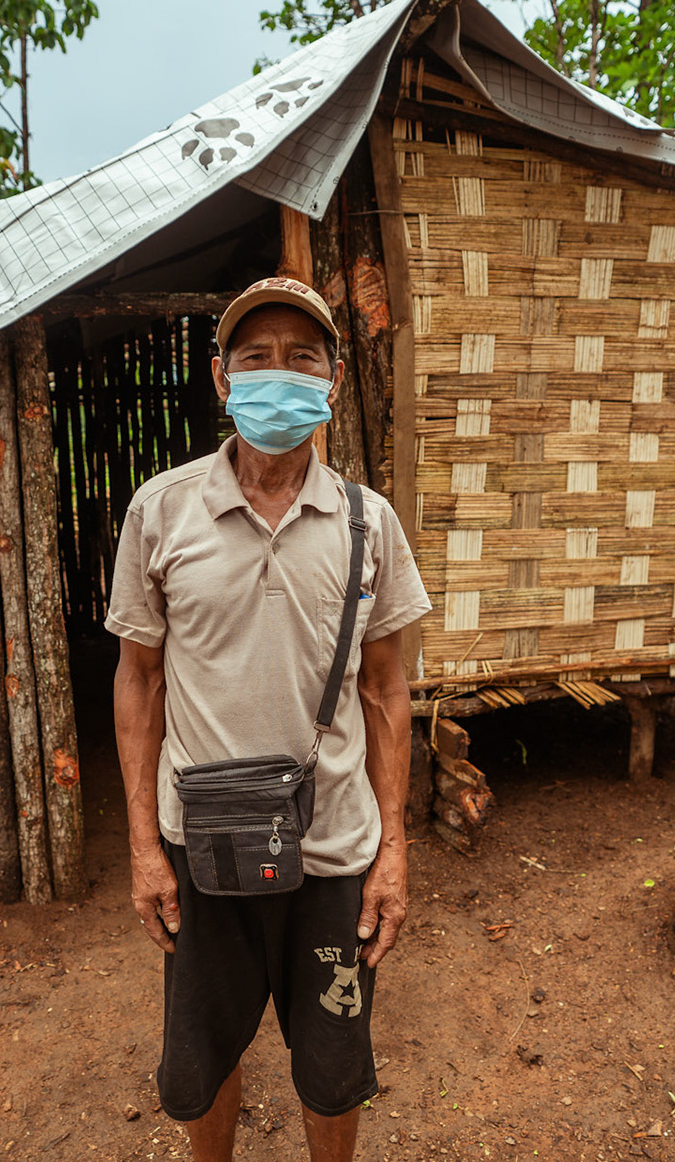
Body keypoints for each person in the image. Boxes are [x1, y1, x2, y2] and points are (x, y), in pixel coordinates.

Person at [106, 275, 431, 1161]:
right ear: (220, 376)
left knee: (333, 1064)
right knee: (201, 1063)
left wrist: (393, 851)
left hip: (333, 854)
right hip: (202, 849)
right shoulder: (161, 510)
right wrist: (143, 848)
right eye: (256, 358)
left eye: (301, 359)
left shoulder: (370, 522)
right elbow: (137, 681)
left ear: (331, 382)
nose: (277, 375)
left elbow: (386, 689)